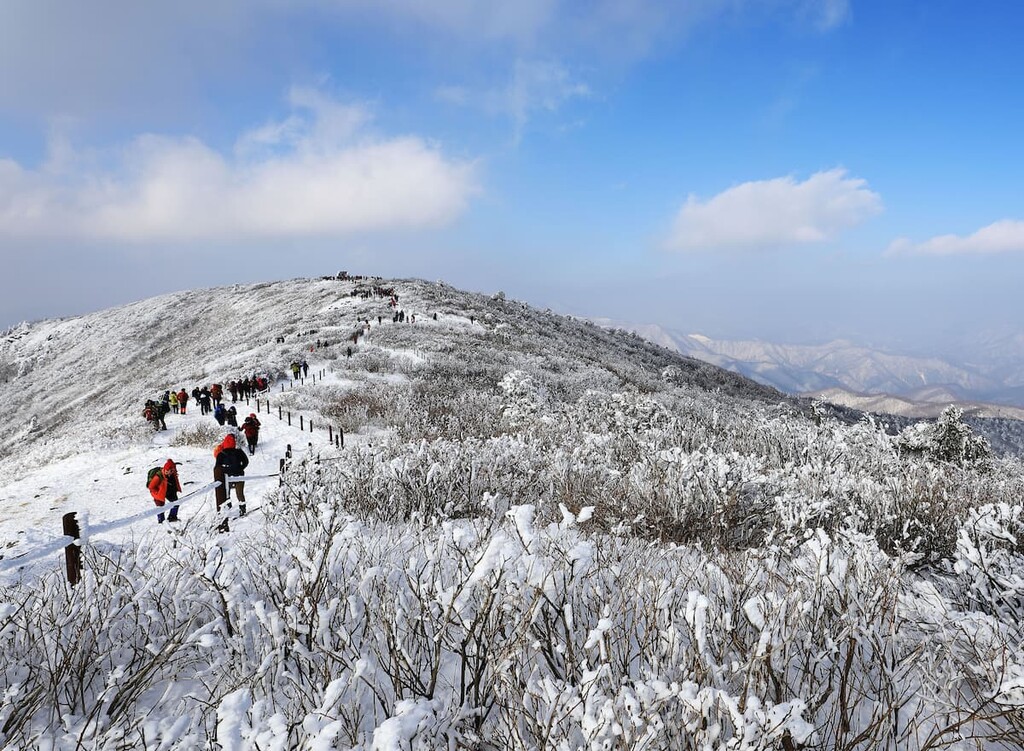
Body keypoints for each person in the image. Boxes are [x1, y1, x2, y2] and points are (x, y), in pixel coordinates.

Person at [215, 434, 249, 518]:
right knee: (240, 494)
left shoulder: (221, 454)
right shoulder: (239, 452)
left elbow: (217, 467)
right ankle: (242, 510)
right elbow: (246, 462)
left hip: (227, 477)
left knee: (227, 494)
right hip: (239, 476)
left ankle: (228, 511)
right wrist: (240, 468)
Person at [148, 459, 182, 523]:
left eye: (171, 471)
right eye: (167, 471)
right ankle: (161, 521)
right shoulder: (158, 476)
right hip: (159, 493)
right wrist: (157, 493)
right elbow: (151, 487)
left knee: (176, 503)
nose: (169, 472)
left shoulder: (172, 473)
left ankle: (172, 517)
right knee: (160, 508)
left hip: (169, 491)